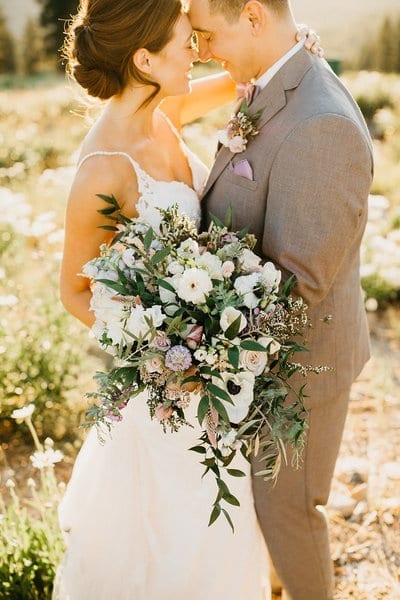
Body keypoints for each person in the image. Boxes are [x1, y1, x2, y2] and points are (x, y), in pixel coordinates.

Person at [55, 0, 321, 598]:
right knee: (172, 533)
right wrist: (161, 348)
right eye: (185, 43)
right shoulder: (102, 170)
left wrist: (290, 44)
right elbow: (74, 289)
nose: (196, 51)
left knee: (216, 528)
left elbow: (242, 76)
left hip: (210, 374)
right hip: (166, 391)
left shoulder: (162, 107)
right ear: (145, 59)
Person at [189, 1, 374, 599]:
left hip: (302, 367)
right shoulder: (271, 81)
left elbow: (299, 281)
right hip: (262, 361)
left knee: (290, 514)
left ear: (250, 16)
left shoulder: (321, 122)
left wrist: (194, 334)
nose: (201, 50)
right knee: (262, 511)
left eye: (206, 34)